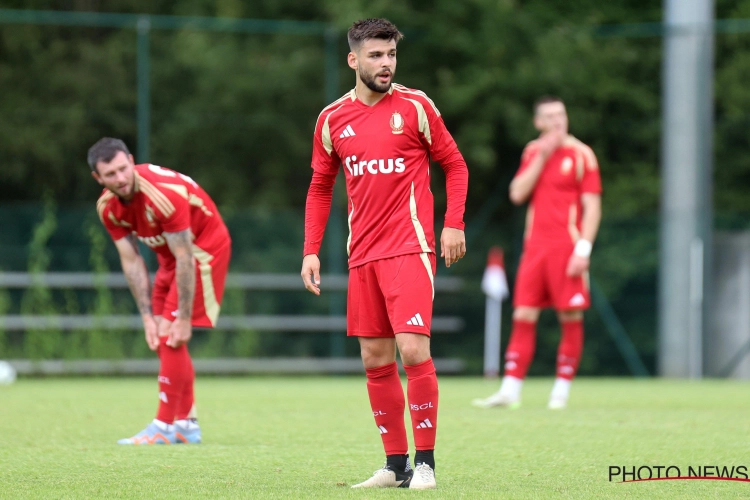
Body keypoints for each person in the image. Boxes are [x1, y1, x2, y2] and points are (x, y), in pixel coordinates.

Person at [301, 18, 468, 490]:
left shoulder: (415, 106)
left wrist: (453, 222)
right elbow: (319, 187)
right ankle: (395, 466)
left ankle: (426, 462)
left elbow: (455, 164)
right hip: (363, 255)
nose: (386, 64)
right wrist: (311, 250)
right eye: (376, 55)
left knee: (413, 348)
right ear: (353, 60)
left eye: (391, 54)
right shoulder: (332, 119)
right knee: (375, 359)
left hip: (410, 246)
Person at [89, 137, 231, 444]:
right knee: (160, 339)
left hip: (202, 251)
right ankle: (187, 424)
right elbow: (132, 261)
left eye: (123, 168)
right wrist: (146, 317)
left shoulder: (163, 195)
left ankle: (164, 427)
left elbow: (186, 257)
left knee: (171, 335)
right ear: (98, 178)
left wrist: (181, 318)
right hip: (170, 258)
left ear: (130, 160)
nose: (121, 178)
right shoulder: (108, 208)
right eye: (110, 174)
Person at [473, 96, 602, 410]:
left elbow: (593, 206)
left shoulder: (582, 154)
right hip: (535, 250)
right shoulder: (533, 151)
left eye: (561, 114)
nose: (557, 120)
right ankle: (510, 390)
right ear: (539, 123)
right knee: (523, 315)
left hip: (567, 248)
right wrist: (543, 154)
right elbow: (517, 193)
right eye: (550, 116)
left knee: (569, 316)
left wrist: (583, 249)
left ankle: (561, 392)